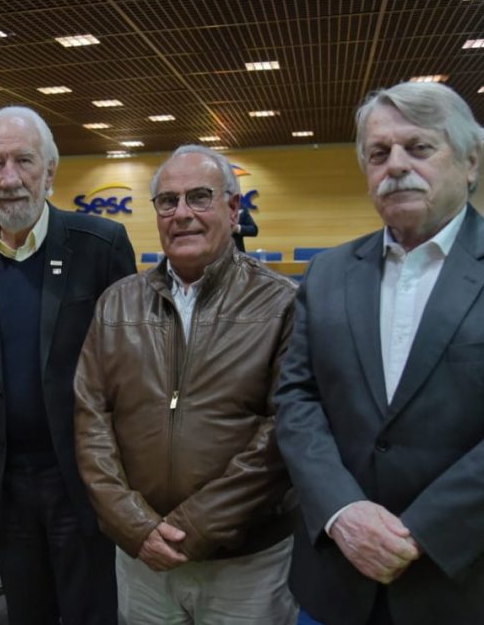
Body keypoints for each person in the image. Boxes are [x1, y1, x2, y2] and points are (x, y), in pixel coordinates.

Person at [273, 82, 484, 625]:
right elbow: (297, 399)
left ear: (471, 162)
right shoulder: (328, 273)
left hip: (483, 583)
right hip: (345, 583)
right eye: (379, 153)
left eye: (419, 147)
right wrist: (342, 510)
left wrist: (419, 531)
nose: (395, 165)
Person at [74, 144, 300, 625]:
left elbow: (283, 435)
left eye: (200, 197)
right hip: (143, 561)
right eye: (168, 201)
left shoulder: (283, 305)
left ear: (233, 209)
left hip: (245, 566)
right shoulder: (117, 304)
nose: (182, 214)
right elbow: (91, 421)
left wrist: (191, 528)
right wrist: (135, 528)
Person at [0, 106, 135, 625]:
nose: (10, 179)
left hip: (84, 476)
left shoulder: (101, 245)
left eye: (23, 161)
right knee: (27, 612)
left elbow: (131, 371)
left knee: (94, 610)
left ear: (50, 170)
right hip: (3, 481)